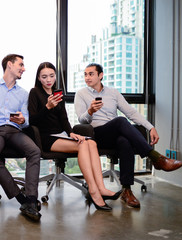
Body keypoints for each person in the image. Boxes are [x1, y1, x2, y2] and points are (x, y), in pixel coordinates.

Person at [74, 63, 182, 208]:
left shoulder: (113, 92)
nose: (87, 77)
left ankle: (127, 190)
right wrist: (90, 111)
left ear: (100, 75)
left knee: (124, 142)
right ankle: (156, 158)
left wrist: (151, 127)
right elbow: (81, 121)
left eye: (91, 74)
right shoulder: (81, 94)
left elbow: (131, 112)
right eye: (85, 74)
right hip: (96, 135)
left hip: (115, 132)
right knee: (120, 121)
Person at [28, 62, 121, 211]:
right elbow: (32, 121)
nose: (48, 80)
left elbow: (64, 119)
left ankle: (101, 188)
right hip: (46, 137)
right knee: (84, 144)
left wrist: (71, 133)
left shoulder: (57, 94)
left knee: (91, 143)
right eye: (44, 77)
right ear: (39, 78)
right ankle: (93, 190)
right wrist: (47, 107)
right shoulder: (34, 93)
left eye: (51, 76)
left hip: (62, 135)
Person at [0, 54, 42, 221]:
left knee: (34, 151)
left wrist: (22, 119)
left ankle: (31, 200)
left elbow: (25, 119)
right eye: (21, 64)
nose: (24, 68)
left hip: (14, 131)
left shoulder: (23, 93)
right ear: (9, 65)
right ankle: (21, 198)